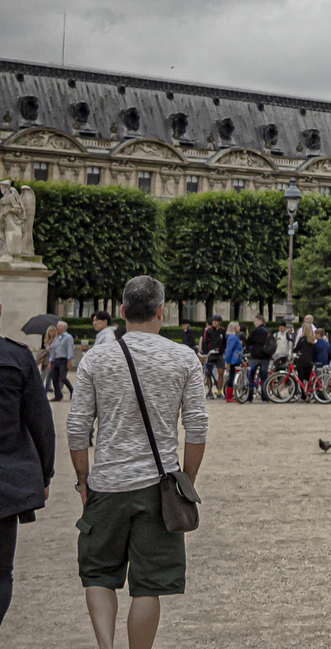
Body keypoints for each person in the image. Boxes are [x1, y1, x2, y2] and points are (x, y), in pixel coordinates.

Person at [66, 276, 207, 649]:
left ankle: (106, 646)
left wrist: (83, 480)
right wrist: (185, 482)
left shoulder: (96, 358)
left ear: (123, 312)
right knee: (149, 586)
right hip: (158, 486)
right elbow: (196, 427)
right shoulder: (184, 358)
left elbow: (78, 427)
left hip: (107, 482)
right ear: (162, 312)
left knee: (98, 574)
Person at [1, 299, 56, 628]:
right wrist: (45, 474)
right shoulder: (17, 356)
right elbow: (41, 423)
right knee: (0, 572)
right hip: (5, 483)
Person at [242, 319, 272, 404]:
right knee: (264, 377)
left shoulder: (255, 331)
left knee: (251, 376)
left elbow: (248, 342)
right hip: (266, 356)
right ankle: (264, 398)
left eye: (255, 321)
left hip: (255, 355)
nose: (254, 323)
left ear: (260, 321)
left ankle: (249, 397)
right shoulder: (268, 330)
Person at [48, 321, 74, 401]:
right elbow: (53, 350)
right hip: (56, 359)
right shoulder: (56, 338)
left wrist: (69, 360)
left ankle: (73, 391)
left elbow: (69, 348)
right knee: (54, 377)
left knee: (62, 377)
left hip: (64, 359)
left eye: (58, 326)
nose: (57, 328)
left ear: (63, 328)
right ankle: (58, 395)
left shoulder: (68, 337)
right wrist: (50, 361)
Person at [222, 323, 243, 403]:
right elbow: (229, 350)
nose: (239, 327)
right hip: (233, 360)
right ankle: (229, 396)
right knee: (231, 377)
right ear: (234, 328)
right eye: (237, 326)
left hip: (233, 359)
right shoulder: (233, 337)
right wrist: (227, 362)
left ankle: (229, 396)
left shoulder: (232, 337)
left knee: (232, 376)